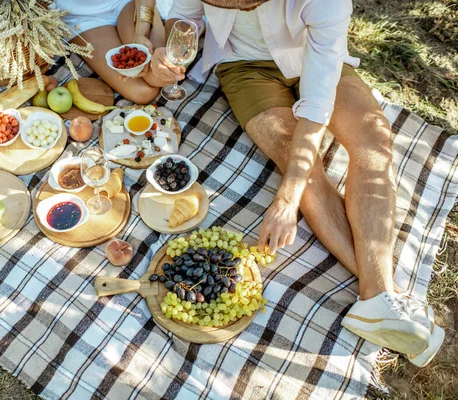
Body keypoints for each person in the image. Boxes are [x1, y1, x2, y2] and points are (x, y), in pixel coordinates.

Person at [152, 0, 445, 366]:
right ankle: (382, 295)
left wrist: (287, 198)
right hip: (242, 67)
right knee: (295, 157)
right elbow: (184, 15)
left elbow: (317, 103)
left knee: (375, 139)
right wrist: (175, 43)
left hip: (313, 56)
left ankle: (379, 298)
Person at [52, 0, 178, 104]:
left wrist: (141, 32)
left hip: (126, 4)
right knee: (142, 92)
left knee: (159, 76)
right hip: (81, 18)